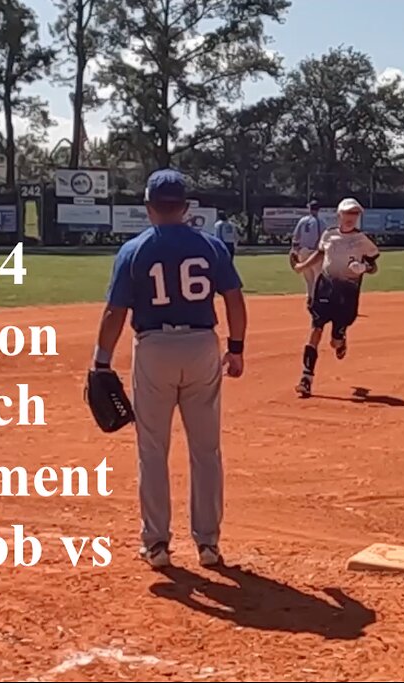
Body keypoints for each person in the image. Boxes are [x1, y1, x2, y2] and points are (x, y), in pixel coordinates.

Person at [90, 168, 248, 570]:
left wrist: (101, 362)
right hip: (201, 347)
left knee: (153, 450)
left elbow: (115, 312)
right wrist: (236, 349)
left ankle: (157, 545)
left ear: (148, 208)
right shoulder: (211, 247)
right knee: (206, 451)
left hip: (154, 349)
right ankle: (208, 545)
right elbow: (234, 300)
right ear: (186, 207)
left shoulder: (135, 250)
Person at [292, 197, 380, 398]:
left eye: (355, 214)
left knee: (334, 342)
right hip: (325, 287)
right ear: (339, 215)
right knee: (316, 329)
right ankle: (306, 378)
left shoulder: (362, 240)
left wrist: (365, 267)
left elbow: (374, 266)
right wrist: (302, 266)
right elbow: (320, 253)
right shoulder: (329, 234)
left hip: (347, 294)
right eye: (348, 213)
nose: (351, 217)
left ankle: (341, 340)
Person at [289, 200, 324, 302]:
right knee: (318, 276)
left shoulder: (302, 220)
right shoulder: (320, 222)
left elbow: (296, 237)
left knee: (308, 278)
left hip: (302, 252)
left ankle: (310, 296)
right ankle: (315, 298)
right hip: (314, 253)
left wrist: (294, 250)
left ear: (309, 209)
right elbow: (324, 238)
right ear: (319, 209)